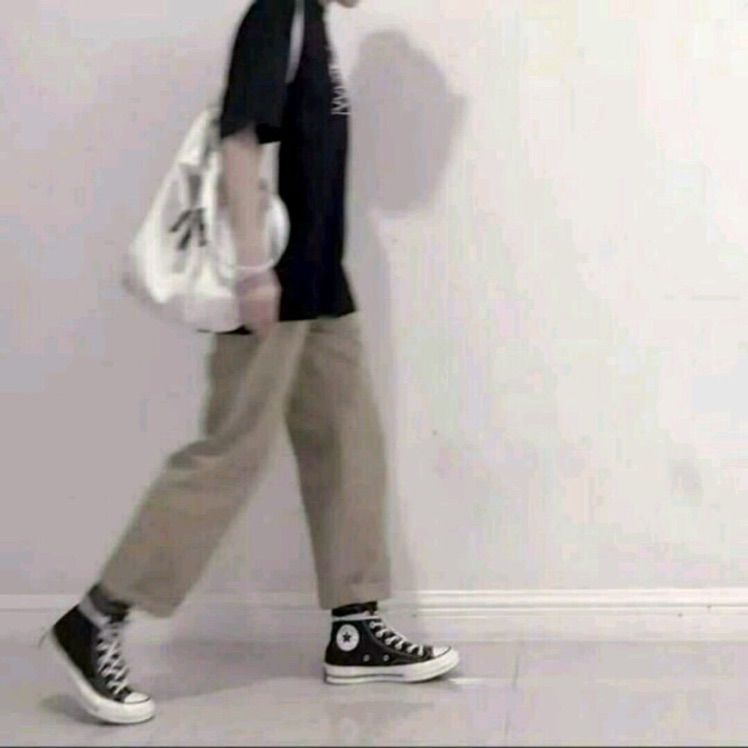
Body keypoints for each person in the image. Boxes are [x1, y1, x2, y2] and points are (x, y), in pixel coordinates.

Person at [40, 0, 459, 725]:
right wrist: (254, 270)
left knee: (350, 445)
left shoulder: (314, 24)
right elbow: (239, 140)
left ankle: (355, 629)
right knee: (227, 456)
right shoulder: (277, 15)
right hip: (273, 285)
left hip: (322, 287)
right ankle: (95, 619)